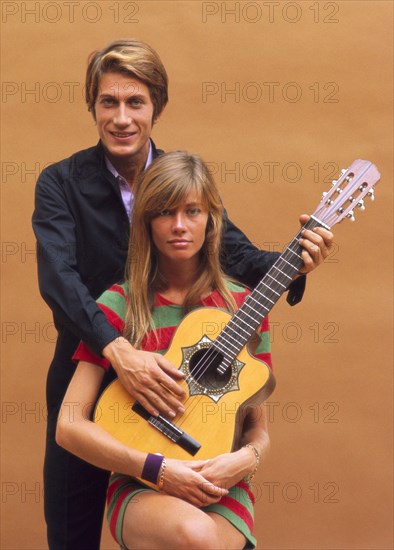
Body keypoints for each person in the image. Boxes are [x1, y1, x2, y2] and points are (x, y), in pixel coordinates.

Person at [32, 39, 333, 549]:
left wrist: (299, 255)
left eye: (136, 102)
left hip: (181, 381)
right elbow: (59, 279)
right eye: (109, 102)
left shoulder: (181, 182)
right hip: (90, 364)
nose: (122, 118)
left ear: (158, 107)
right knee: (72, 531)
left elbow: (240, 259)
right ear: (93, 106)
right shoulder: (60, 183)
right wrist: (117, 349)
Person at [57, 150, 275, 550]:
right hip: (143, 480)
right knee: (194, 537)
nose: (179, 225)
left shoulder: (244, 306)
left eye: (192, 211)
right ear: (145, 222)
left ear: (211, 219)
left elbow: (256, 427)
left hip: (220, 483)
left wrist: (246, 460)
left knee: (203, 535)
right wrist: (157, 468)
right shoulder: (118, 305)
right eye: (164, 212)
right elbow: (69, 425)